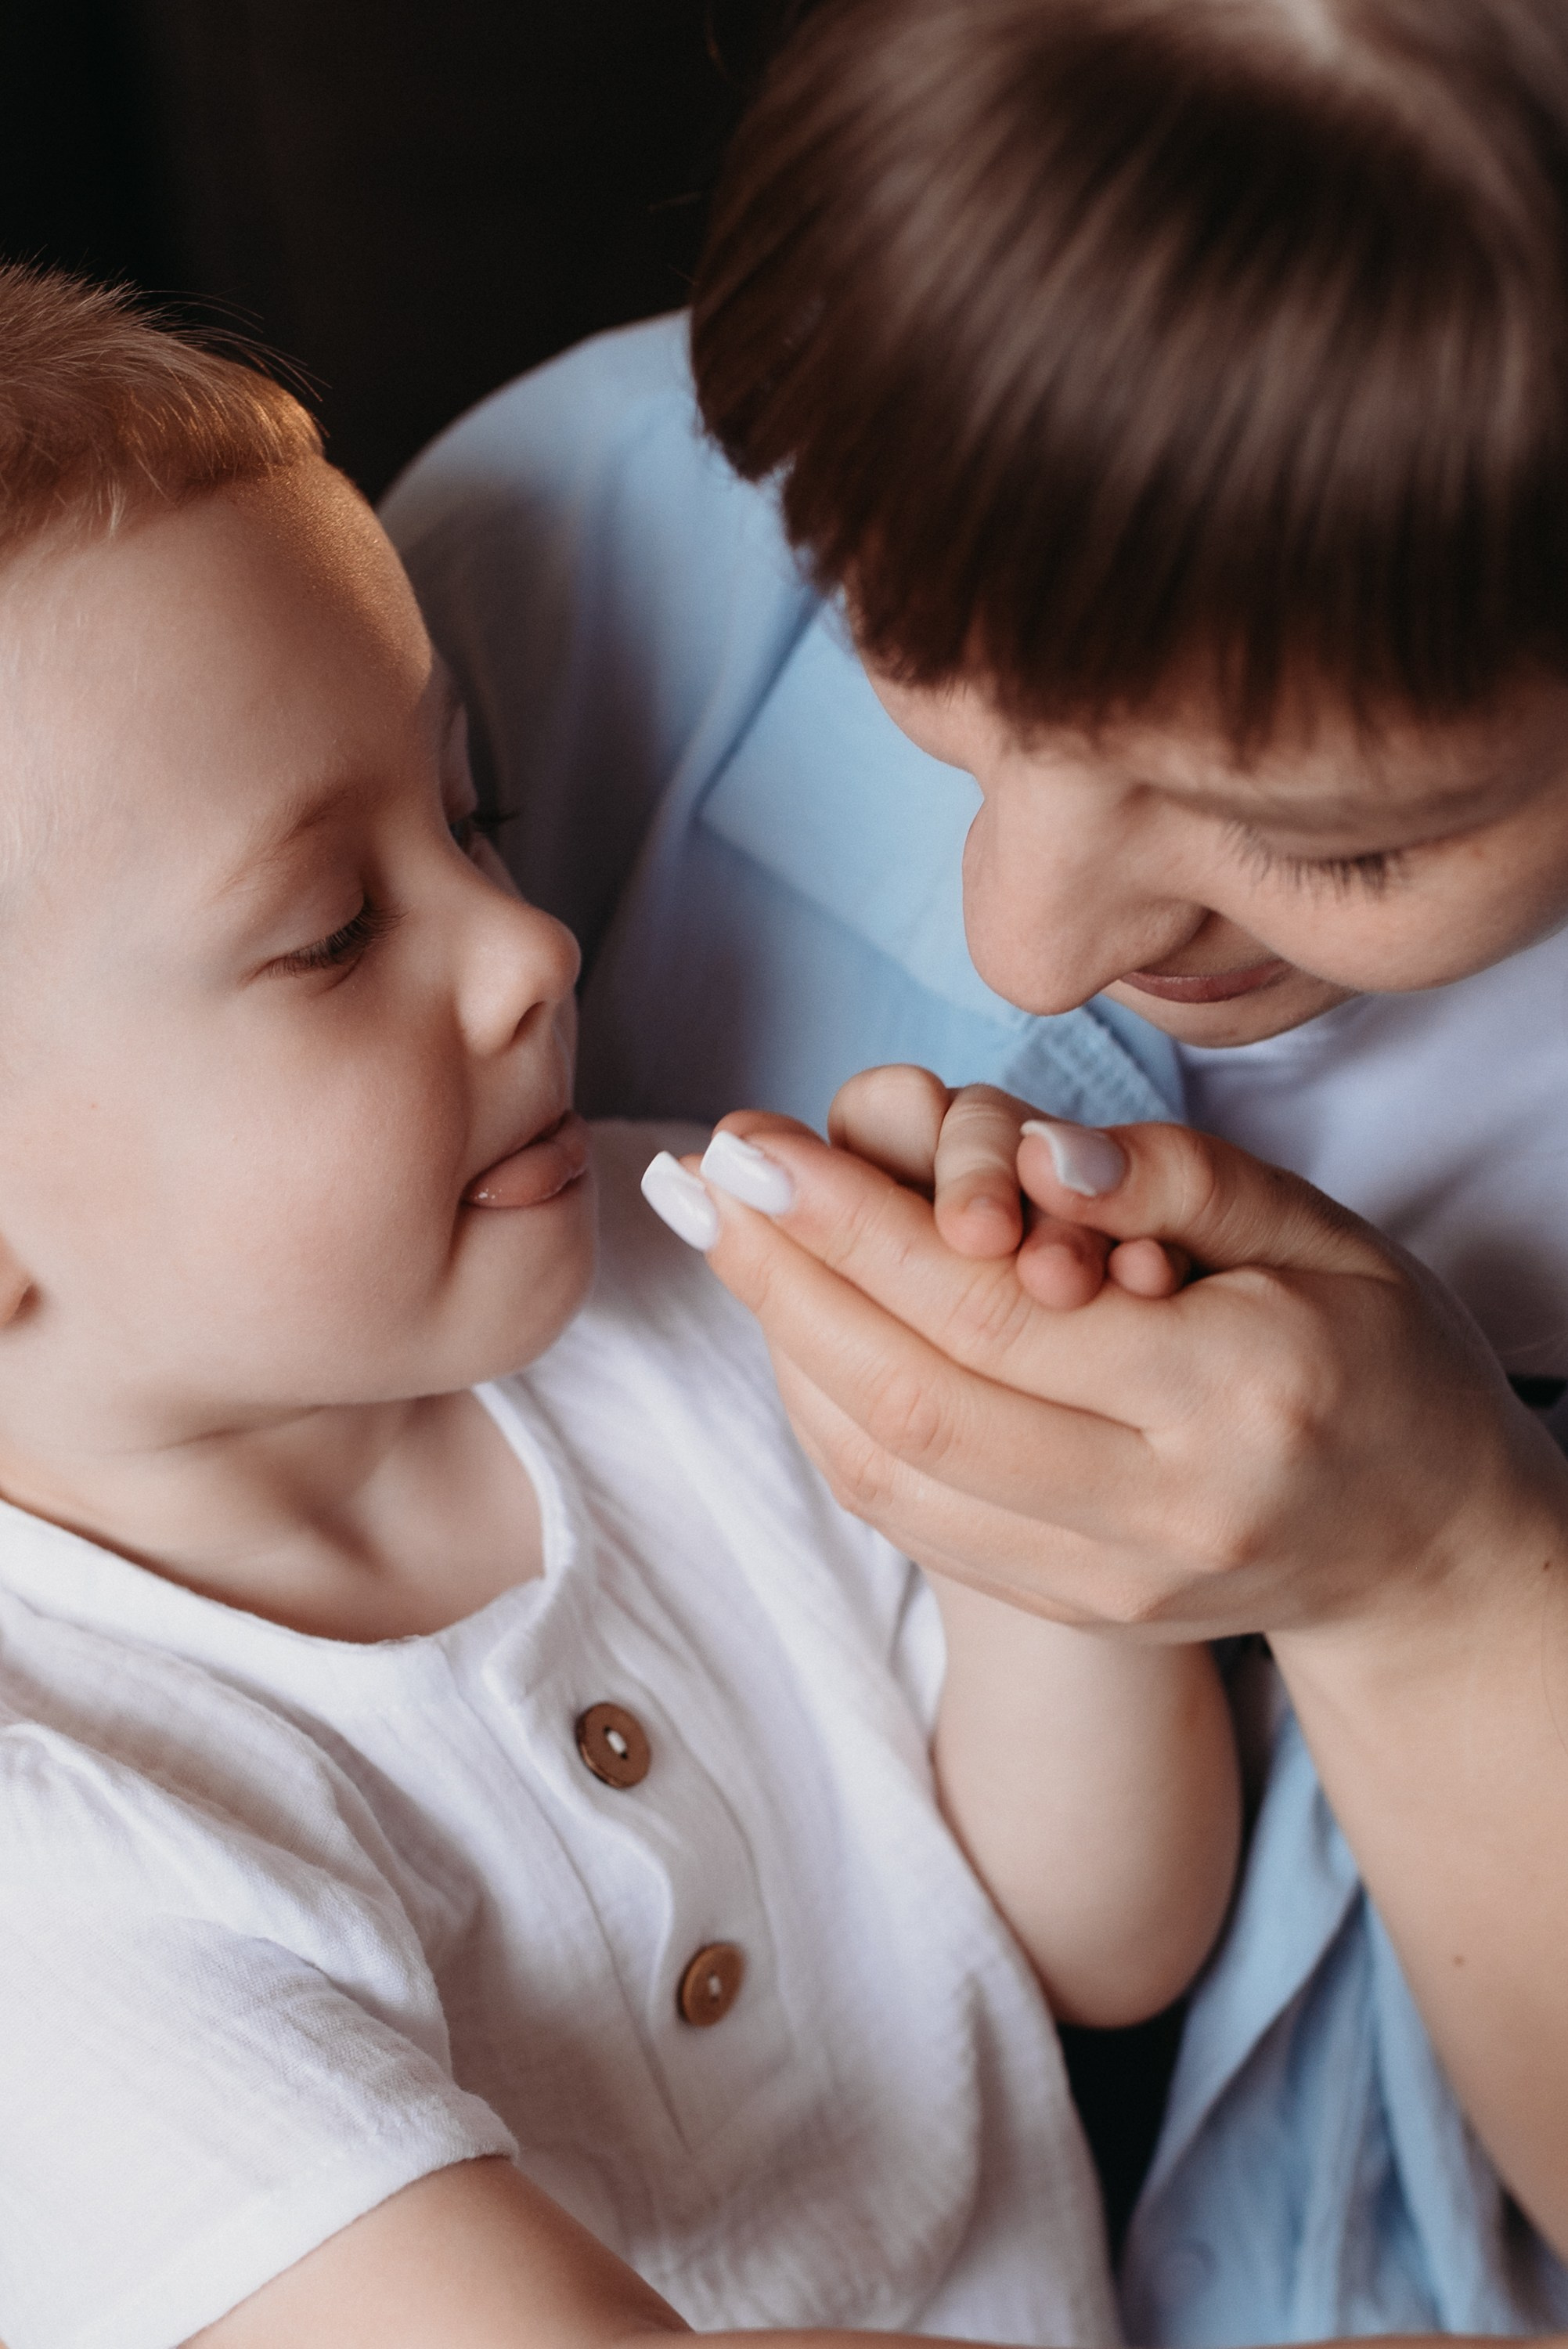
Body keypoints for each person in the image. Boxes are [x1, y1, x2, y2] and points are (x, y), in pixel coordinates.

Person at [380, 0, 1568, 2342]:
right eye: (911, 647)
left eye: (1338, 840)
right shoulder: (563, 577)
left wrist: (1434, 1569)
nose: (1022, 925)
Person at [0, 263, 1247, 2349]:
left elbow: (1103, 1942)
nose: (531, 945)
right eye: (329, 931)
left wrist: (1018, 1464)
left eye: (473, 811)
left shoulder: (710, 1276)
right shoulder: (58, 1809)